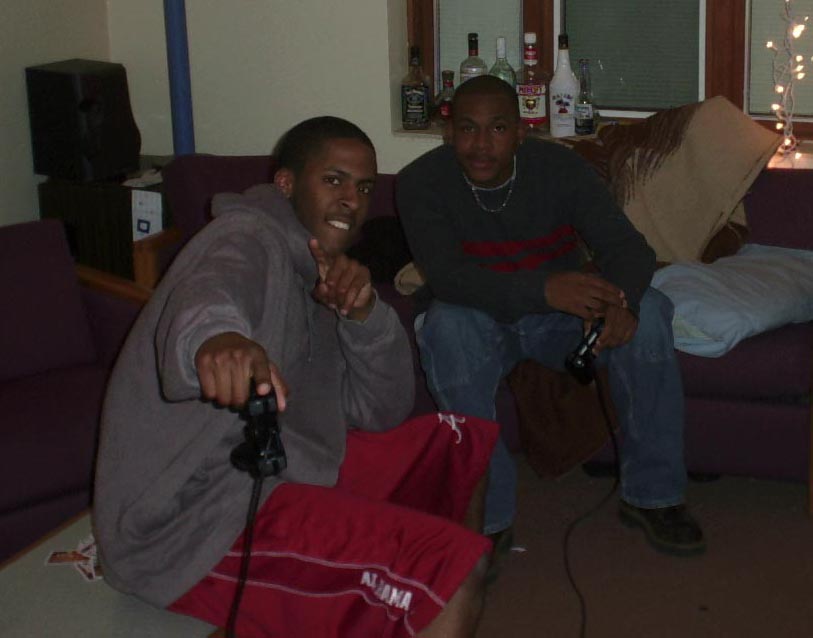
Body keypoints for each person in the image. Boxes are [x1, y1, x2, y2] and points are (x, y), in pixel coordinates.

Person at [93, 116, 499, 638]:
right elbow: (211, 292)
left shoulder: (323, 268)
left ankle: (393, 602)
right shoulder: (244, 237)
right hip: (192, 523)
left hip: (291, 467)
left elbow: (380, 413)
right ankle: (419, 595)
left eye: (364, 187)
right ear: (286, 184)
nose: (352, 200)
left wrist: (363, 317)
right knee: (455, 575)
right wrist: (219, 340)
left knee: (461, 442)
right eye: (333, 180)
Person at [395, 76, 705, 556]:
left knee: (653, 311)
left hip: (557, 321)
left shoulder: (560, 168)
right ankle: (487, 516)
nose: (481, 144)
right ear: (449, 133)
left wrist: (621, 302)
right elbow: (450, 278)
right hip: (476, 316)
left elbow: (627, 248)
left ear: (522, 132)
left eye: (498, 128)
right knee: (445, 325)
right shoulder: (421, 182)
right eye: (468, 129)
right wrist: (545, 289)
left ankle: (654, 495)